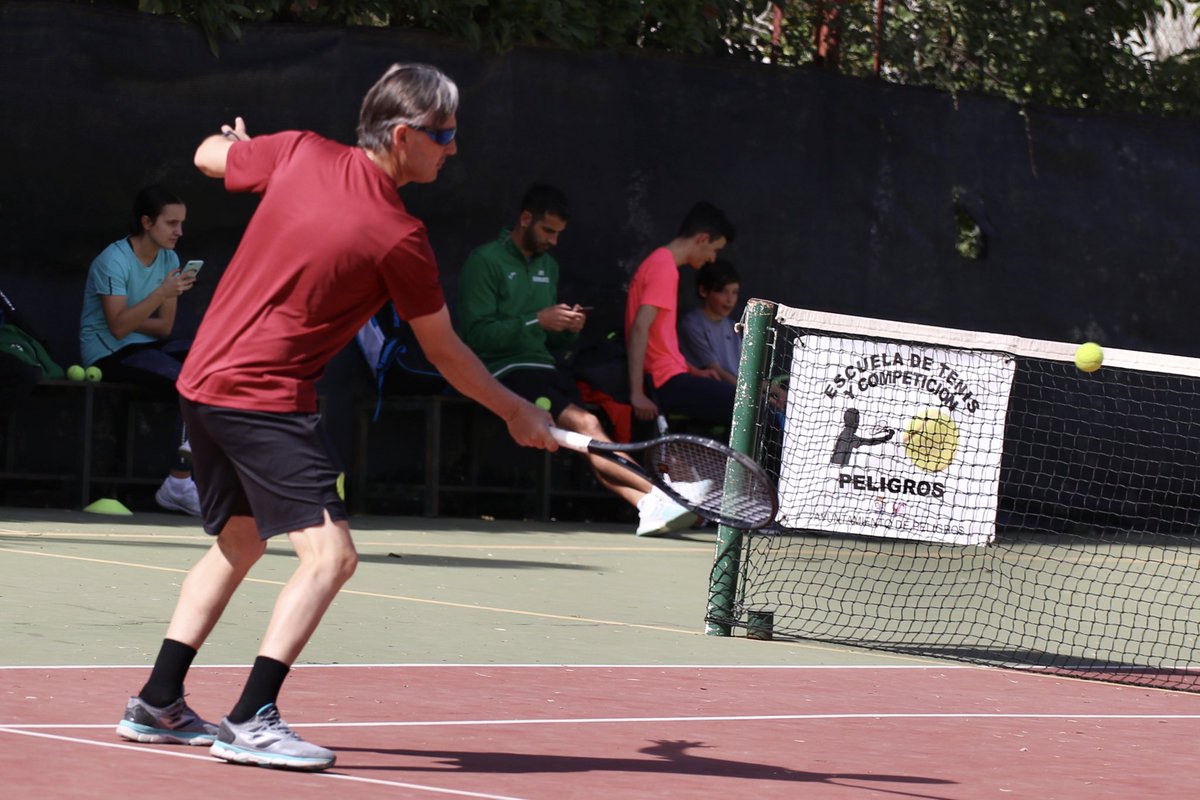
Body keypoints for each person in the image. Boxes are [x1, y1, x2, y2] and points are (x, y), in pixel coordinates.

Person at [114, 63, 556, 772]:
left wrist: (245, 149)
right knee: (332, 557)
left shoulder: (296, 151)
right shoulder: (398, 236)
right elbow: (444, 353)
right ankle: (253, 717)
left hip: (203, 383)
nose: (452, 148)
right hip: (261, 396)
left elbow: (206, 155)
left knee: (240, 540)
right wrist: (513, 412)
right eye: (444, 135)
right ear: (405, 136)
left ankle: (157, 703)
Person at [457, 184, 697, 536]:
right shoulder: (484, 261)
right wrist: (537, 320)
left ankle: (647, 505)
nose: (553, 241)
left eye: (559, 234)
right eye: (547, 230)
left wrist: (566, 328)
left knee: (588, 438)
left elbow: (549, 340)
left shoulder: (549, 267)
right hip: (504, 374)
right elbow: (476, 337)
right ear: (525, 219)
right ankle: (662, 493)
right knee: (586, 425)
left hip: (547, 370)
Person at [79, 184, 200, 515]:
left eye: (181, 223)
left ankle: (187, 477)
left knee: (206, 357)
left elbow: (164, 328)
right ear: (147, 223)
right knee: (182, 380)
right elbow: (116, 329)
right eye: (171, 223)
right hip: (107, 351)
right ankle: (180, 482)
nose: (179, 231)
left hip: (146, 344)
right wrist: (159, 295)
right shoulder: (112, 260)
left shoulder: (170, 258)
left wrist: (132, 316)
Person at [625, 202, 737, 428]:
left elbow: (659, 344)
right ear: (702, 239)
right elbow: (639, 327)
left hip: (673, 375)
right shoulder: (664, 266)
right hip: (665, 382)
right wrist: (636, 392)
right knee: (750, 409)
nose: (713, 258)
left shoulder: (660, 263)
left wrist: (694, 371)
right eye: (715, 249)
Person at [678, 259, 742, 385]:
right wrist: (753, 397)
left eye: (734, 292)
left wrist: (773, 390)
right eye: (723, 291)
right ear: (703, 291)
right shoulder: (691, 324)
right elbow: (715, 371)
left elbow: (746, 374)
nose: (730, 299)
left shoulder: (732, 326)